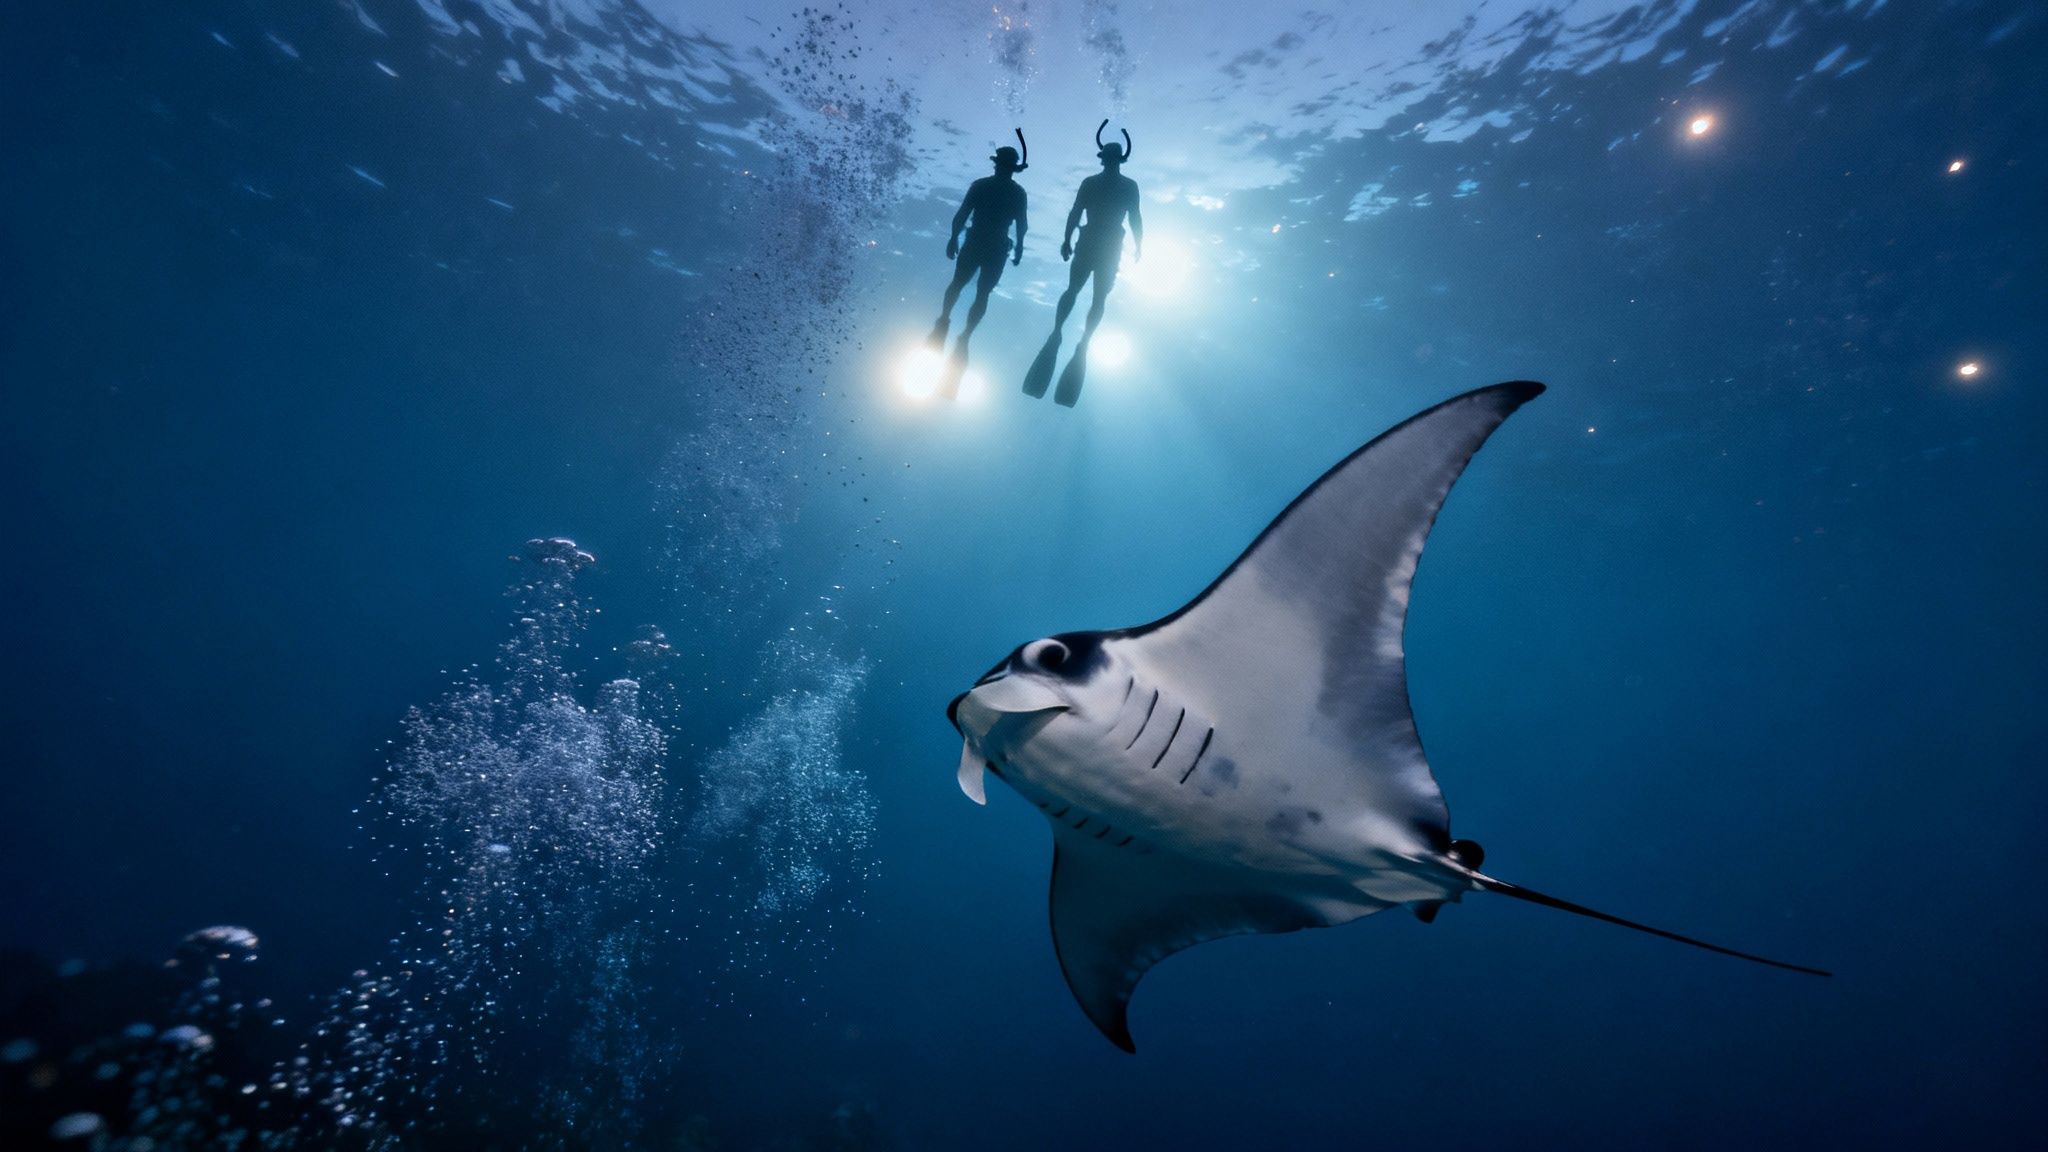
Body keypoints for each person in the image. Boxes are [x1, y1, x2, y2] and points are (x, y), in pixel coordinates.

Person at [1023, 120, 1141, 407]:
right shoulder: (1126, 185)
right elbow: (1134, 217)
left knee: (1077, 291)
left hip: (1094, 242)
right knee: (1092, 296)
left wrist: (1067, 239)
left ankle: (1061, 333)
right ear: (1119, 159)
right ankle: (1076, 338)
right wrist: (1139, 245)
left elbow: (1077, 213)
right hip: (1107, 244)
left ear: (1104, 159)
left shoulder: (1093, 183)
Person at [929, 131, 1029, 397]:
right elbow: (1022, 225)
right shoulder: (1018, 192)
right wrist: (1019, 248)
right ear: (1013, 168)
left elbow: (962, 213)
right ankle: (965, 335)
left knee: (958, 285)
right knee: (982, 292)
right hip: (997, 246)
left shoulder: (981, 185)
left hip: (976, 241)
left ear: (996, 164)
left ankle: (945, 320)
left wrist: (953, 238)